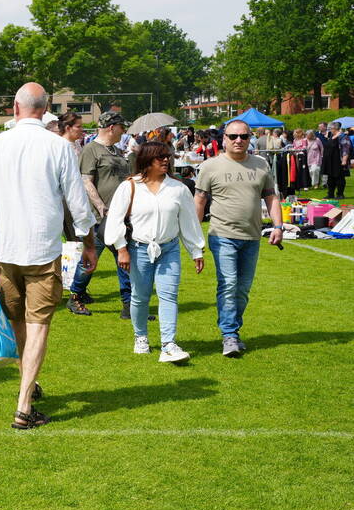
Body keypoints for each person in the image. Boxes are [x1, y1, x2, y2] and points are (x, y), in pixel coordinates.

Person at [0, 82, 96, 429]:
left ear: (15, 108)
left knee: (20, 322)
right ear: (45, 111)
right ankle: (24, 406)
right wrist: (87, 241)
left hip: (6, 248)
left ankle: (28, 386)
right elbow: (77, 200)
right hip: (40, 249)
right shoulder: (58, 146)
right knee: (36, 324)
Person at [105, 142, 205, 363]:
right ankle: (140, 336)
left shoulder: (178, 188)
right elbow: (115, 220)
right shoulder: (129, 186)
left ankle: (168, 343)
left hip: (169, 249)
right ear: (146, 161)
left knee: (168, 295)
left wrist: (196, 250)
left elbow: (188, 222)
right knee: (140, 297)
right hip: (138, 248)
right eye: (159, 157)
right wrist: (121, 248)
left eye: (167, 157)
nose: (166, 161)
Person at [194, 119, 283, 357]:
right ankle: (229, 335)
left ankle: (233, 329)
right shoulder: (210, 166)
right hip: (222, 235)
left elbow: (271, 197)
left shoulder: (261, 164)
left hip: (252, 236)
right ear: (224, 138)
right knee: (229, 284)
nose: (238, 141)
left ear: (250, 138)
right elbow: (199, 201)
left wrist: (278, 226)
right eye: (233, 136)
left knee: (242, 289)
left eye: (244, 136)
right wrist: (195, 239)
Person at [67, 111, 133, 318]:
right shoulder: (91, 150)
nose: (124, 132)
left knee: (124, 260)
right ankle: (75, 297)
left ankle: (129, 306)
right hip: (100, 219)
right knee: (90, 259)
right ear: (112, 127)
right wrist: (102, 207)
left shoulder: (115, 150)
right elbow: (86, 182)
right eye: (122, 127)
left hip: (120, 216)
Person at [321, 121, 350, 199]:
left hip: (338, 161)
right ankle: (330, 194)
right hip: (330, 161)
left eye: (330, 128)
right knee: (330, 179)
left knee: (339, 178)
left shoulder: (343, 136)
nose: (329, 130)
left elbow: (346, 149)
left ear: (335, 128)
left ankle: (340, 194)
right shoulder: (331, 136)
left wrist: (344, 160)